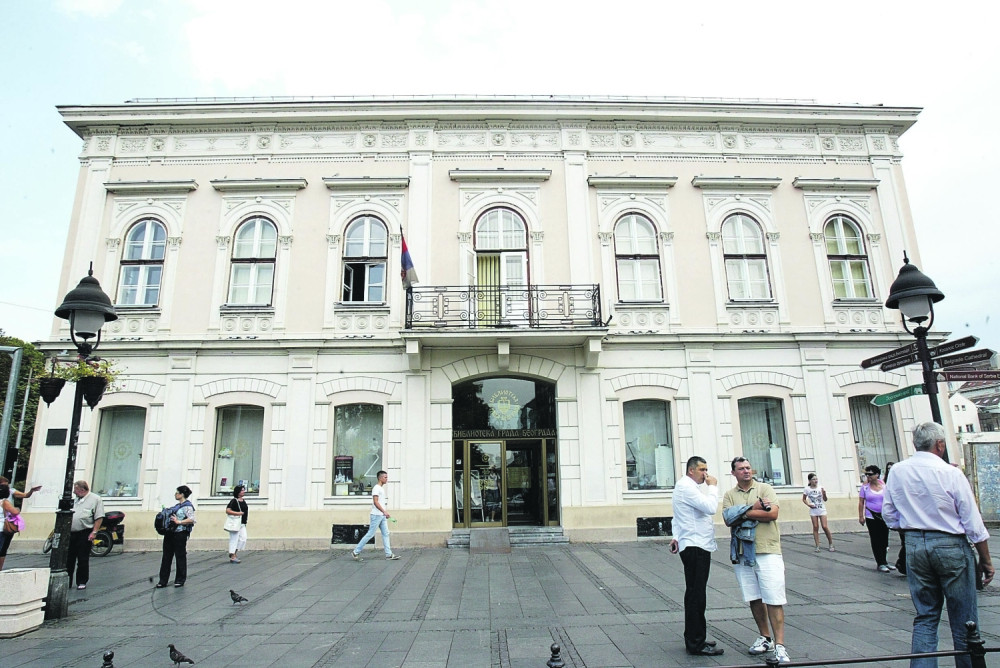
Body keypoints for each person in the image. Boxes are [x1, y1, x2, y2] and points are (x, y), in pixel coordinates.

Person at [883, 422, 994, 668]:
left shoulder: (898, 471)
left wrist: (912, 526)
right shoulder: (951, 473)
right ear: (940, 444)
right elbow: (972, 522)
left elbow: (888, 515)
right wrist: (985, 560)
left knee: (925, 616)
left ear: (916, 444)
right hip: (950, 543)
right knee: (965, 619)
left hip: (915, 543)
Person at [722, 456, 790, 664]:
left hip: (767, 549)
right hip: (743, 551)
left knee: (774, 597)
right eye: (741, 468)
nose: (746, 471)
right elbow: (728, 519)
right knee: (754, 596)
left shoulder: (765, 489)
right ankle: (765, 637)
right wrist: (755, 508)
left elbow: (773, 514)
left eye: (748, 467)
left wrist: (743, 513)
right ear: (733, 473)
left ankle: (780, 646)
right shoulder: (730, 495)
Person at [670, 456, 723, 656]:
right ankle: (695, 642)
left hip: (696, 544)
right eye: (702, 469)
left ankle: (696, 636)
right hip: (696, 546)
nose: (706, 474)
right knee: (696, 595)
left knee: (695, 593)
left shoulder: (687, 487)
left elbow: (678, 517)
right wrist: (713, 487)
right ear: (691, 470)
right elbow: (710, 508)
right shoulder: (687, 487)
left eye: (706, 469)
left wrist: (676, 536)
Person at [351, 471, 399, 561]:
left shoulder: (381, 489)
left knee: (386, 533)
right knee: (370, 534)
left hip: (381, 515)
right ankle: (355, 552)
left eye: (387, 477)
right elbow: (375, 502)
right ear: (380, 478)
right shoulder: (376, 488)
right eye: (385, 477)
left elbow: (380, 502)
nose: (387, 479)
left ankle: (389, 554)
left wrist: (384, 513)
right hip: (376, 515)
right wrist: (384, 511)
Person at [67, 480, 104, 590]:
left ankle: (81, 581)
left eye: (75, 490)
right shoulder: (75, 499)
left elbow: (99, 517)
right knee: (69, 558)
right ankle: (67, 581)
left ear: (82, 490)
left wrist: (94, 532)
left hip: (84, 532)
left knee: (82, 558)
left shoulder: (95, 499)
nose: (74, 492)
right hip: (71, 533)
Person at [156, 485, 196, 588]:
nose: (175, 494)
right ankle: (163, 580)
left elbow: (192, 519)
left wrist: (179, 522)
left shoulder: (187, 506)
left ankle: (180, 579)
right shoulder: (177, 506)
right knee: (166, 557)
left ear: (182, 494)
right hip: (170, 533)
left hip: (180, 533)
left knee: (180, 556)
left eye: (177, 493)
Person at [859, 465, 893, 572]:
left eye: (870, 474)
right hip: (871, 516)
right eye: (866, 474)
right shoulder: (865, 487)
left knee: (884, 539)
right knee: (875, 539)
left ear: (877, 475)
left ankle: (885, 561)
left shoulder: (883, 485)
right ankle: (880, 562)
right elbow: (861, 502)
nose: (868, 476)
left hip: (884, 515)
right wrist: (861, 516)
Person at [802, 473, 834, 552]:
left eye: (816, 479)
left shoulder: (820, 488)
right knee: (815, 527)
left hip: (821, 509)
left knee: (824, 526)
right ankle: (817, 545)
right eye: (813, 479)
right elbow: (804, 499)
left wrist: (824, 494)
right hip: (813, 510)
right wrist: (808, 504)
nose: (815, 481)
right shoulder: (807, 489)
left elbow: (825, 499)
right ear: (810, 481)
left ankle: (831, 543)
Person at [0, 482, 24, 571]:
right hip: (3, 528)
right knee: (3, 549)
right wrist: (17, 508)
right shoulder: (4, 502)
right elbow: (15, 512)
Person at [226, 484, 249, 564]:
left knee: (243, 538)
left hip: (242, 523)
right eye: (242, 490)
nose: (243, 491)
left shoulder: (243, 501)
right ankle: (233, 556)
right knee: (234, 539)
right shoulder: (234, 501)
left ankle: (234, 553)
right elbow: (228, 510)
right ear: (238, 492)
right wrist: (238, 513)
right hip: (235, 523)